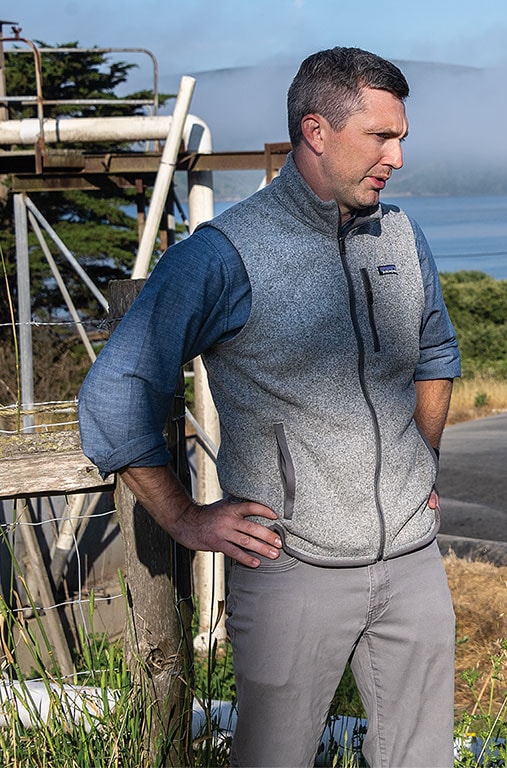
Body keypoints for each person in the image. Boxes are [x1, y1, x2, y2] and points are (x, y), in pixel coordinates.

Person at [78, 47, 461, 767]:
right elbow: (114, 392)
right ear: (316, 132)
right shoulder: (225, 254)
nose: (398, 157)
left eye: (401, 136)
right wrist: (184, 517)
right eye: (382, 136)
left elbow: (437, 356)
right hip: (291, 568)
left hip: (412, 560)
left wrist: (424, 461)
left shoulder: (402, 238)